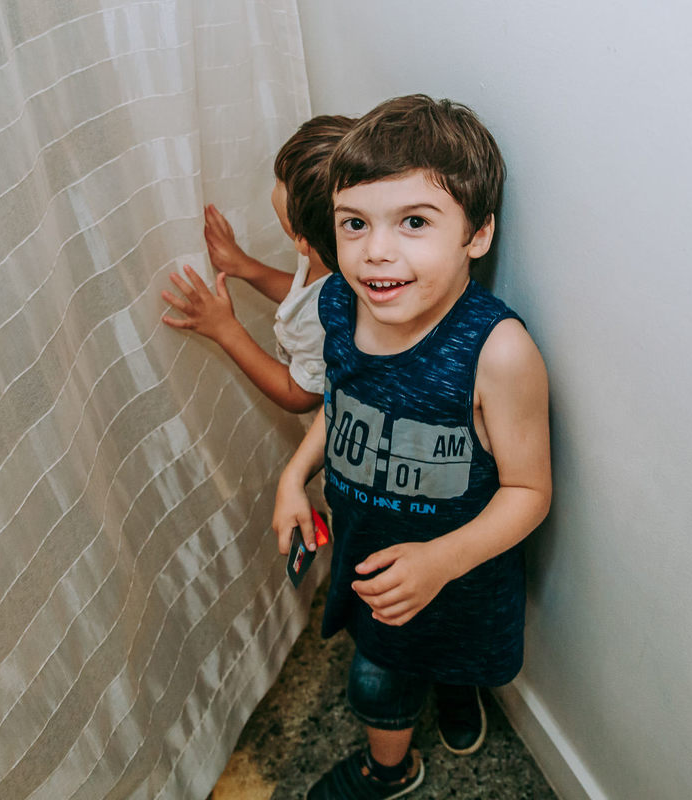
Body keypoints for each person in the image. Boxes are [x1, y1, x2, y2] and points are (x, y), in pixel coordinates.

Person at [272, 95, 552, 799]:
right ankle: (395, 754)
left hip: (457, 569)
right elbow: (341, 405)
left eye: (415, 223)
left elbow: (529, 491)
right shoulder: (340, 302)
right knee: (380, 674)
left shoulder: (499, 352)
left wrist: (440, 560)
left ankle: (396, 758)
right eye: (355, 224)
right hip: (373, 557)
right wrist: (294, 474)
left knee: (440, 661)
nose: (376, 251)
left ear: (477, 234)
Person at [161, 115, 354, 413]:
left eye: (280, 181)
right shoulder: (331, 253)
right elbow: (303, 295)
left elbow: (298, 395)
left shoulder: (330, 316)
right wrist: (246, 266)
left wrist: (226, 330)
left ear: (302, 239)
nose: (274, 186)